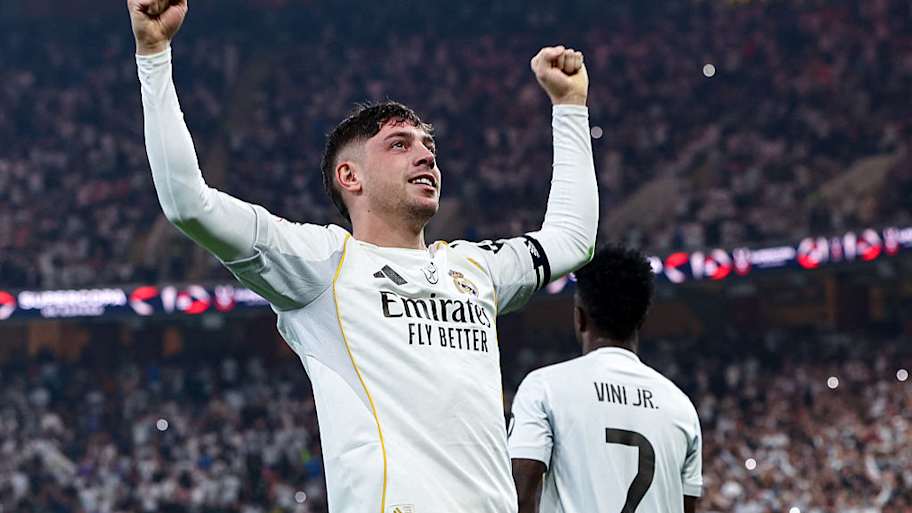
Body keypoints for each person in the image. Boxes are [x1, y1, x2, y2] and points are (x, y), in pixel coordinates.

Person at [127, 0, 598, 511]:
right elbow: (187, 203)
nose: (425, 156)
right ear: (349, 177)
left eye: (428, 147)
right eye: (399, 144)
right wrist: (154, 54)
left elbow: (572, 239)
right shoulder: (321, 265)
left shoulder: (475, 269)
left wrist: (570, 106)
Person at [509, 245, 702, 513]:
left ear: (580, 318)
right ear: (642, 319)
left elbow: (519, 496)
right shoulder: (682, 408)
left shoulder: (544, 388)